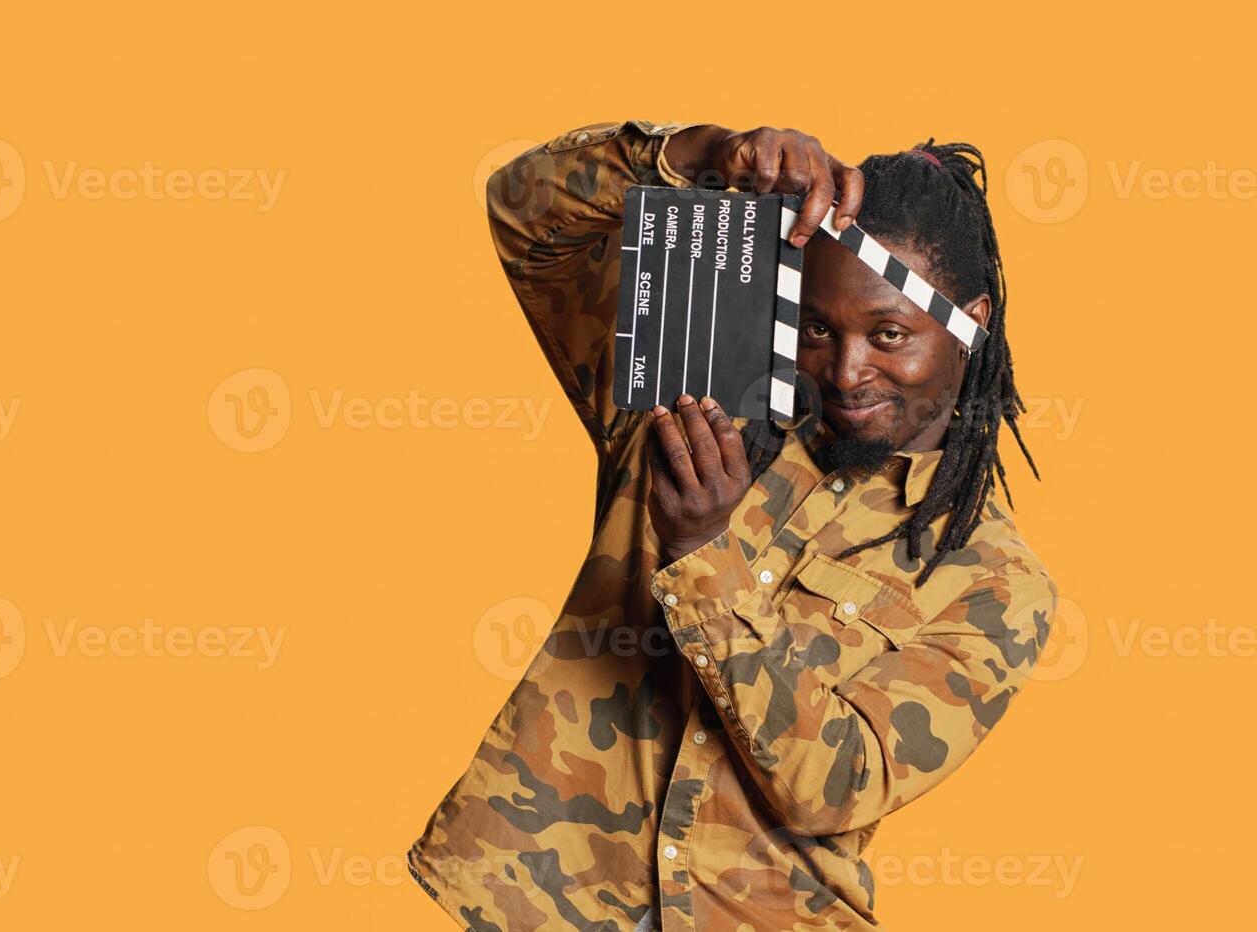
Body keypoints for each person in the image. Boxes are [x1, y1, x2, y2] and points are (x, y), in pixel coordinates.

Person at [406, 119, 1058, 932]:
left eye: (889, 334)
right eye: (819, 328)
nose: (847, 371)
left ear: (970, 321)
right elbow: (523, 216)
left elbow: (839, 781)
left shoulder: (995, 582)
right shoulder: (693, 398)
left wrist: (702, 556)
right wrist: (694, 157)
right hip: (533, 897)